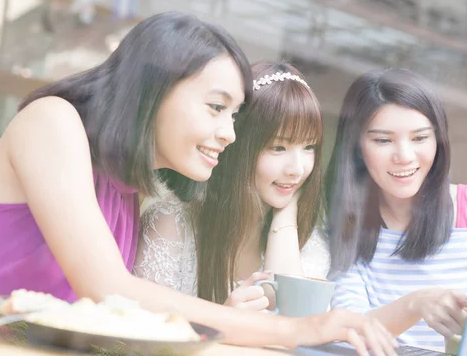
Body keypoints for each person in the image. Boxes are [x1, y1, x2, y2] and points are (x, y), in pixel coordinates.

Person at [0, 11, 397, 356]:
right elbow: (108, 288)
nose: (230, 133)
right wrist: (297, 328)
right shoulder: (52, 121)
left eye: (234, 115)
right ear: (154, 90)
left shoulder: (127, 185)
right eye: (215, 107)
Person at [325, 68, 467, 356]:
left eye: (420, 138)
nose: (404, 156)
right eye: (383, 140)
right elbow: (348, 332)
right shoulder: (348, 222)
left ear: (438, 141)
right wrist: (415, 304)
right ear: (357, 147)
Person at [134, 61, 330, 310]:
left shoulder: (306, 243)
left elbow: (297, 329)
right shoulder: (171, 225)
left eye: (309, 147)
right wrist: (223, 321)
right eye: (278, 147)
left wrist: (285, 221)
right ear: (237, 146)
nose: (297, 169)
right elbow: (139, 338)